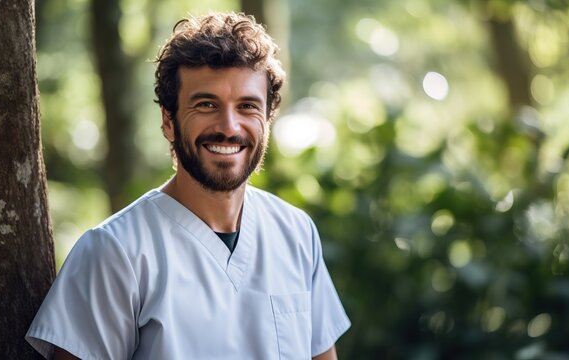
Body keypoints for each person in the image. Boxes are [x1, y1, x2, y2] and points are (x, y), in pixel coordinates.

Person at [25, 11, 350, 360]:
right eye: (206, 104)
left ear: (267, 118)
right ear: (169, 120)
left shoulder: (297, 233)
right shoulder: (114, 253)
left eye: (247, 106)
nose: (229, 126)